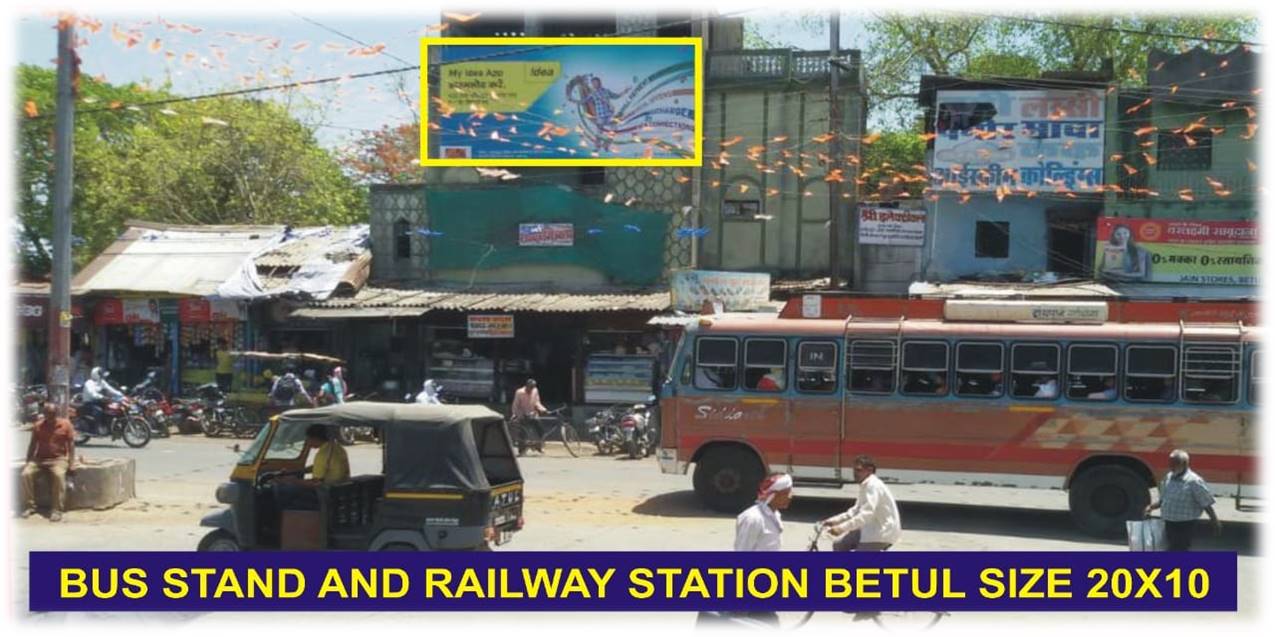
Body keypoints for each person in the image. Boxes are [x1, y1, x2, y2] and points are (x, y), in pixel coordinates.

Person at [729, 472, 793, 628]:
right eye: (787, 493)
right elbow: (741, 555)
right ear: (774, 495)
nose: (791, 496)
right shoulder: (753, 518)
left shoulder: (774, 514)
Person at [821, 455, 901, 552]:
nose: (855, 474)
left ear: (870, 470)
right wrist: (833, 521)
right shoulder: (865, 485)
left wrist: (841, 528)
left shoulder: (873, 486)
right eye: (854, 470)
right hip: (868, 528)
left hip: (881, 532)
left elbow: (866, 514)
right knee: (839, 545)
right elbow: (855, 511)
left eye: (858, 470)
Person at [1145, 449, 1221, 551]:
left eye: (1174, 464)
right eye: (1170, 463)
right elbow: (1163, 500)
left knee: (1178, 549)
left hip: (1185, 524)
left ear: (1184, 464)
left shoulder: (1194, 481)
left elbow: (1206, 503)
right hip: (1168, 522)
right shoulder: (1169, 477)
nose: (1171, 467)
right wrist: (1150, 507)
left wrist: (1215, 522)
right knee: (1170, 549)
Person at [20, 404, 77, 522]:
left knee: (58, 476)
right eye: (47, 413)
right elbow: (32, 444)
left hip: (58, 459)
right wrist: (28, 461)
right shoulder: (38, 426)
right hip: (39, 459)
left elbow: (71, 445)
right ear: (44, 414)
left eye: (52, 414)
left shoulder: (65, 425)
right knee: (25, 474)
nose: (50, 416)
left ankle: (57, 509)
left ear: (56, 414)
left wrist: (71, 463)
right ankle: (30, 506)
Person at [273, 425, 351, 511]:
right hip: (340, 490)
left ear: (315, 438)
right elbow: (323, 467)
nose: (308, 442)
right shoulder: (337, 448)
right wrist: (297, 471)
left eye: (308, 439)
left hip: (325, 495)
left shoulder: (323, 454)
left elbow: (316, 483)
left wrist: (291, 480)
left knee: (283, 492)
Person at [82, 366, 125, 435]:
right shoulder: (89, 383)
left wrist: (120, 394)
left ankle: (105, 425)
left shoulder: (101, 382)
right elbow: (93, 394)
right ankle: (94, 429)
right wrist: (102, 397)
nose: (102, 375)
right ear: (96, 374)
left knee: (110, 409)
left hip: (98, 401)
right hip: (89, 403)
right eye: (101, 374)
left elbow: (110, 389)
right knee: (99, 411)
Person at [511, 379, 549, 449]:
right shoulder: (519, 392)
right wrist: (514, 414)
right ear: (526, 386)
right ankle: (521, 448)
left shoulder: (535, 391)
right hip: (522, 414)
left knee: (540, 429)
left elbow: (537, 402)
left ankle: (539, 444)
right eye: (530, 387)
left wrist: (543, 409)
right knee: (522, 432)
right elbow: (515, 405)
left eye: (533, 387)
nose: (531, 389)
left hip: (532, 414)